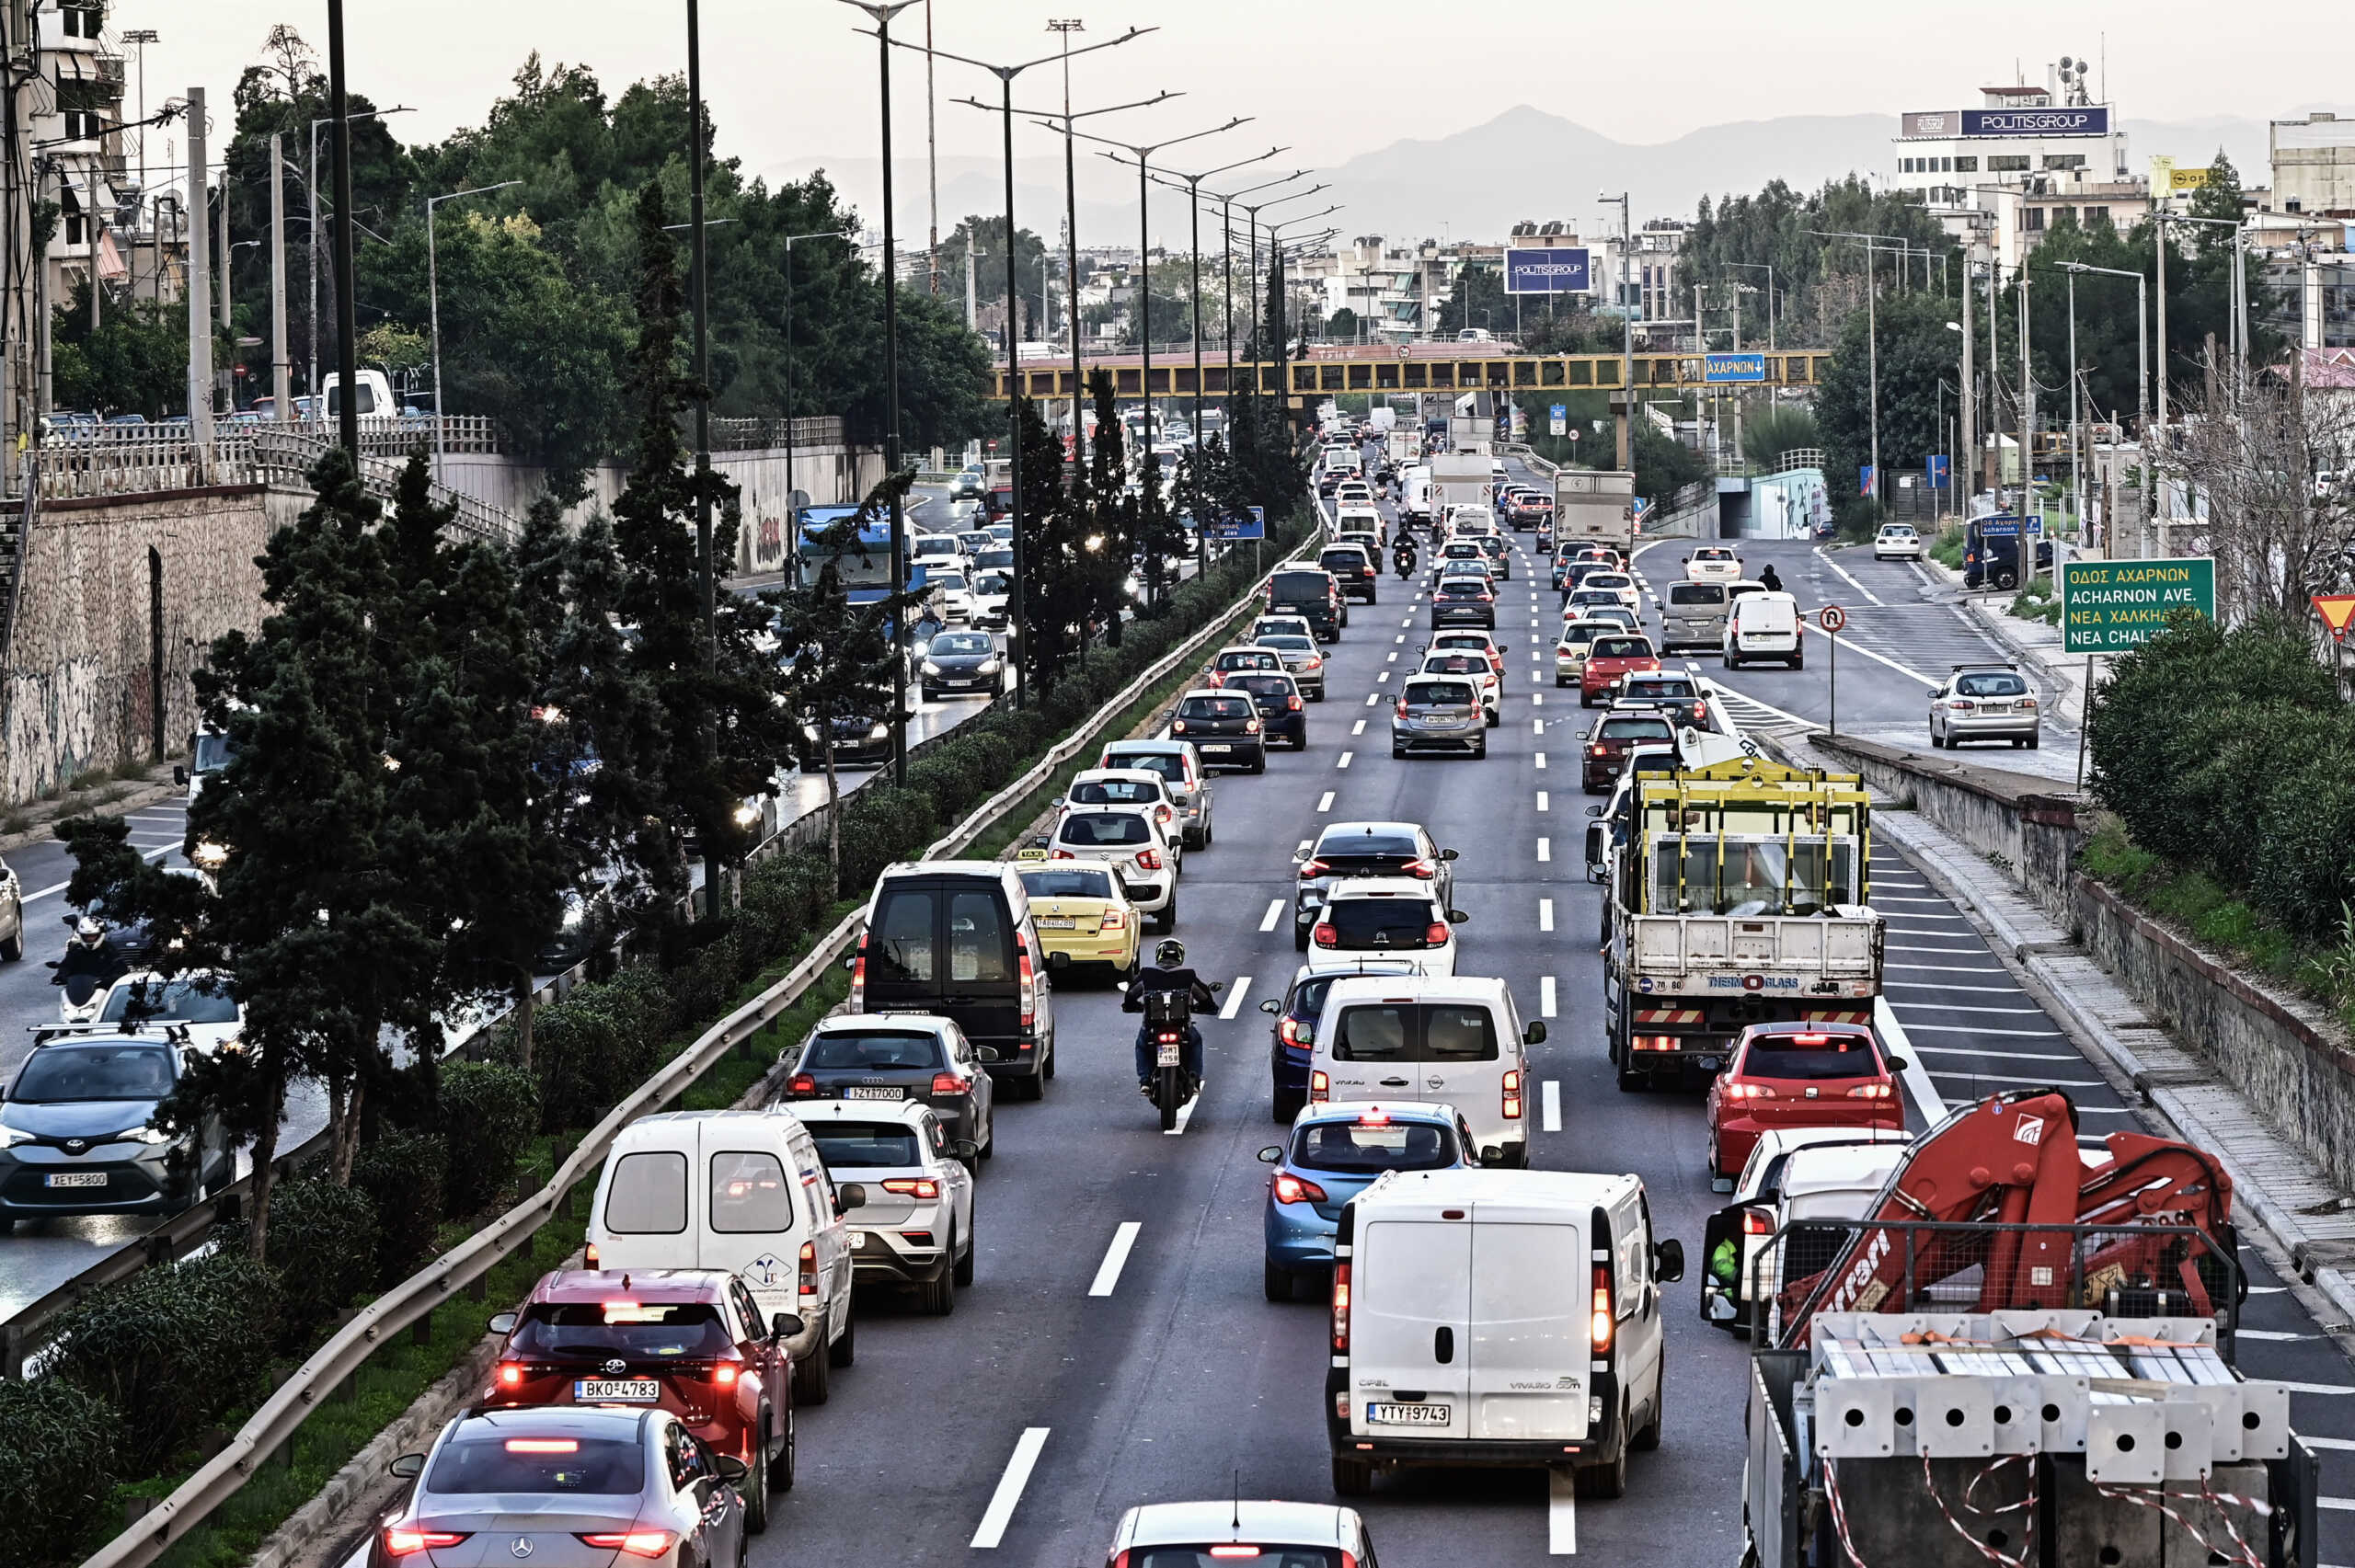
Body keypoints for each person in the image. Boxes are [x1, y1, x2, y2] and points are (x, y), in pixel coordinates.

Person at [1124, 938, 1213, 1093]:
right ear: (1180, 955)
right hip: (1181, 1027)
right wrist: (1207, 1007)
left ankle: (1145, 1080)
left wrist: (1133, 1006)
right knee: (1196, 1041)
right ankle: (1195, 1078)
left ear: (1159, 954)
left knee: (1141, 1044)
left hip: (1152, 1027)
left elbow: (1131, 995)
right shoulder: (1188, 975)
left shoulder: (1147, 973)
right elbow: (1205, 998)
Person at [53, 916, 126, 991]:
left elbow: (121, 968)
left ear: (100, 934)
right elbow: (67, 964)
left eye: (92, 936)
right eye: (86, 936)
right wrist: (60, 976)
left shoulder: (108, 949)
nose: (89, 939)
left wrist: (107, 980)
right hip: (80, 990)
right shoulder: (77, 949)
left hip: (103, 990)